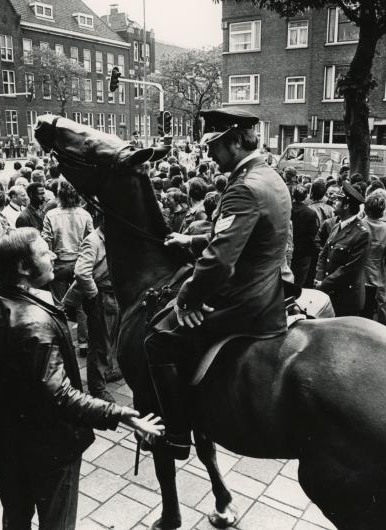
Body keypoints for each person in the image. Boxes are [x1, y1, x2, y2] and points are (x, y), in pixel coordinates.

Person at [0, 228, 163, 529]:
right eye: (44, 251)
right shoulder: (36, 325)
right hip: (50, 449)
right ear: (23, 268)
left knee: (16, 516)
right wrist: (119, 414)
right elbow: (59, 394)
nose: (52, 256)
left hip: (2, 442)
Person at [145, 107, 291, 459]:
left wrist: (186, 298)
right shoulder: (269, 175)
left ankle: (176, 434)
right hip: (271, 286)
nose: (209, 153)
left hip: (245, 298)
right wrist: (191, 241)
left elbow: (220, 261)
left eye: (215, 145)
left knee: (157, 339)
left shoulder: (242, 188)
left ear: (237, 142)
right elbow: (241, 237)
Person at [62, 218, 122, 402]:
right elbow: (81, 272)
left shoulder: (112, 237)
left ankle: (107, 371)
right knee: (99, 344)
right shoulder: (93, 240)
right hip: (101, 296)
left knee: (110, 338)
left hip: (113, 295)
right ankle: (97, 387)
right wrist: (94, 294)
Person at [314, 183, 370, 317]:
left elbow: (350, 270)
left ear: (346, 206)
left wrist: (324, 283)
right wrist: (319, 277)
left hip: (345, 298)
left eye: (338, 199)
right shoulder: (336, 226)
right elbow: (324, 254)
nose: (334, 201)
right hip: (328, 292)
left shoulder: (362, 233)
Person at [360, 190, 386, 326]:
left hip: (359, 274)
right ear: (382, 211)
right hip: (379, 274)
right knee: (380, 303)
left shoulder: (359, 224)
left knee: (363, 309)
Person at [290, 184, 320, 288]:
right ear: (306, 196)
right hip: (303, 254)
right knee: (299, 282)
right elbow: (313, 235)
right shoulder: (311, 213)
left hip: (287, 251)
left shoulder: (287, 209)